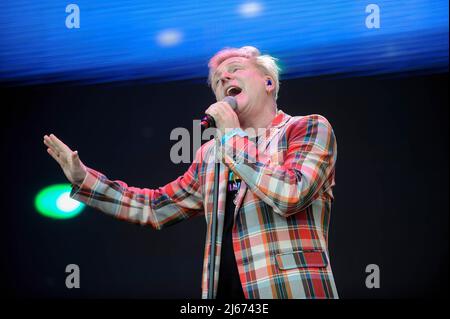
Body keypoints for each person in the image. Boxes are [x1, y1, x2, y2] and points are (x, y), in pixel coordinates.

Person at [43, 46, 338, 299]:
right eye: (217, 80)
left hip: (288, 287)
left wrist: (232, 138)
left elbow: (291, 194)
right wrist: (86, 181)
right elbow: (156, 208)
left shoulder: (307, 128)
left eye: (235, 69)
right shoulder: (211, 155)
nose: (224, 78)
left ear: (268, 82)